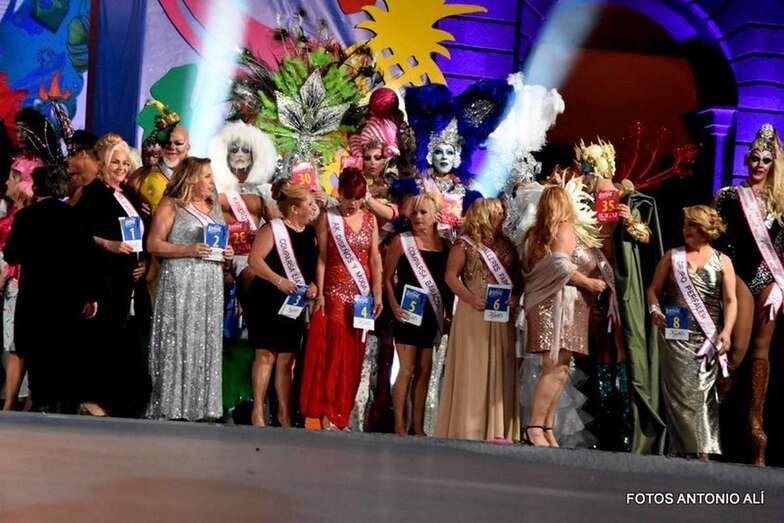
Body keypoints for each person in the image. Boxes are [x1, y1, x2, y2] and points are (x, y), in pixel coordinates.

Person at [714, 123, 784, 466]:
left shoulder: (781, 203)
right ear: (747, 159)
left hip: (770, 279)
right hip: (738, 275)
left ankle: (756, 427)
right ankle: (713, 409)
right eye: (755, 157)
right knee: (737, 347)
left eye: (766, 159)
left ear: (774, 163)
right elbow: (717, 239)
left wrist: (781, 285)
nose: (759, 164)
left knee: (761, 350)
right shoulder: (729, 196)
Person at [3, 164, 99, 412]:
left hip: (34, 298)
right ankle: (64, 403)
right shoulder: (76, 217)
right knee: (64, 352)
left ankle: (40, 402)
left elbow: (11, 255)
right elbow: (89, 259)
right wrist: (90, 296)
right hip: (68, 299)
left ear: (36, 187)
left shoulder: (26, 217)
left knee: (35, 352)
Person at [647, 205, 737, 460]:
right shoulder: (672, 256)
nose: (686, 229)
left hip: (707, 338)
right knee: (678, 393)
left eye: (693, 225)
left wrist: (727, 331)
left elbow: (730, 300)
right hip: (676, 330)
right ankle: (682, 449)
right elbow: (653, 289)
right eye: (686, 224)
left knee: (703, 392)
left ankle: (703, 450)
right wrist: (655, 309)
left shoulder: (723, 261)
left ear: (706, 228)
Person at [146, 157, 233, 421]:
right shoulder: (171, 204)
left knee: (204, 340)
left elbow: (217, 244)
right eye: (206, 176)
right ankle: (171, 404)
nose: (211, 182)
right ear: (191, 178)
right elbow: (153, 244)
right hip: (179, 281)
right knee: (177, 339)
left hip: (209, 283)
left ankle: (203, 406)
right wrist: (188, 249)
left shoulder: (214, 207)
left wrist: (226, 254)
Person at [521, 186, 607, 447]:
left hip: (552, 304)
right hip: (558, 305)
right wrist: (589, 283)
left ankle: (547, 427)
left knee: (560, 369)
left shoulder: (534, 233)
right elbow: (560, 263)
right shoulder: (562, 228)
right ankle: (535, 427)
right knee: (555, 366)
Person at [74, 133, 151, 417]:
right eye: (115, 162)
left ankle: (122, 402)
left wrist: (145, 263)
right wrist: (108, 244)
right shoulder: (92, 194)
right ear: (103, 164)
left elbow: (141, 233)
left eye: (125, 163)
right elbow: (77, 233)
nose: (121, 167)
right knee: (103, 340)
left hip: (129, 279)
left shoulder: (129, 194)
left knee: (125, 341)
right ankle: (92, 399)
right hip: (103, 277)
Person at [300, 167, 383, 430]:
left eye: (357, 200)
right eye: (348, 199)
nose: (352, 205)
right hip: (335, 292)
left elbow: (374, 258)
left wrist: (378, 292)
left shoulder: (371, 219)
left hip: (362, 296)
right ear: (340, 195)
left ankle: (342, 413)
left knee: (355, 354)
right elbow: (322, 258)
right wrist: (321, 294)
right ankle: (327, 413)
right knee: (335, 352)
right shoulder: (329, 218)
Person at [435, 197, 521, 441]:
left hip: (501, 314)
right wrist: (470, 298)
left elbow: (518, 278)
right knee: (474, 366)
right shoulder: (464, 244)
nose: (503, 217)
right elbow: (451, 277)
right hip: (473, 313)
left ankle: (496, 429)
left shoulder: (508, 244)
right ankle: (469, 427)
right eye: (498, 213)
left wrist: (516, 296)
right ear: (485, 214)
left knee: (500, 365)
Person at [246, 180, 319, 427]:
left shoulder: (310, 234)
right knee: (266, 355)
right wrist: (279, 281)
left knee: (287, 359)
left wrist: (313, 285)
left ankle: (284, 413)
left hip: (293, 303)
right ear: (295, 209)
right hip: (268, 298)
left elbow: (311, 267)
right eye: (309, 204)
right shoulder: (272, 229)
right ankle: (258, 410)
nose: (313, 208)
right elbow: (254, 260)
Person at [384, 193, 452, 436]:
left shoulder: (446, 245)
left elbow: (447, 284)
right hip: (407, 312)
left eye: (423, 212)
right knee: (406, 369)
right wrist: (394, 306)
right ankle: (399, 424)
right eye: (414, 213)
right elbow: (386, 278)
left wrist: (448, 315)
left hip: (432, 314)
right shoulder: (401, 241)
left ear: (435, 216)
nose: (418, 217)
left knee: (425, 370)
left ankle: (418, 425)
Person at [1, 156, 40, 409]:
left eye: (12, 178)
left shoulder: (25, 216)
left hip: (19, 282)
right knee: (12, 344)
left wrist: (5, 275)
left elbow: (17, 254)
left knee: (19, 342)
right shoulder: (13, 211)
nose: (6, 182)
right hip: (11, 281)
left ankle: (22, 400)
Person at [138, 124, 191, 213]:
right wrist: (136, 204)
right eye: (167, 143)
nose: (172, 147)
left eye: (178, 143)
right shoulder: (141, 175)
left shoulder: (199, 174)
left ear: (188, 147)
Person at [66, 130, 99, 205]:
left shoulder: (105, 187)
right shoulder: (76, 186)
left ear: (82, 154)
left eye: (70, 155)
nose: (67, 160)